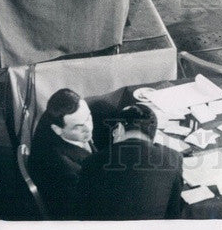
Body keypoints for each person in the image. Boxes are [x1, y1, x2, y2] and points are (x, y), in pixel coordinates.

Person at [79, 104, 183, 219]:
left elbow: (85, 212)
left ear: (119, 128)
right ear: (153, 135)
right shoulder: (173, 158)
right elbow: (174, 212)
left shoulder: (91, 162)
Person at [28, 88, 96, 220]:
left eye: (88, 117)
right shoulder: (66, 169)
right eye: (78, 126)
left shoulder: (54, 114)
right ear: (57, 130)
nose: (88, 128)